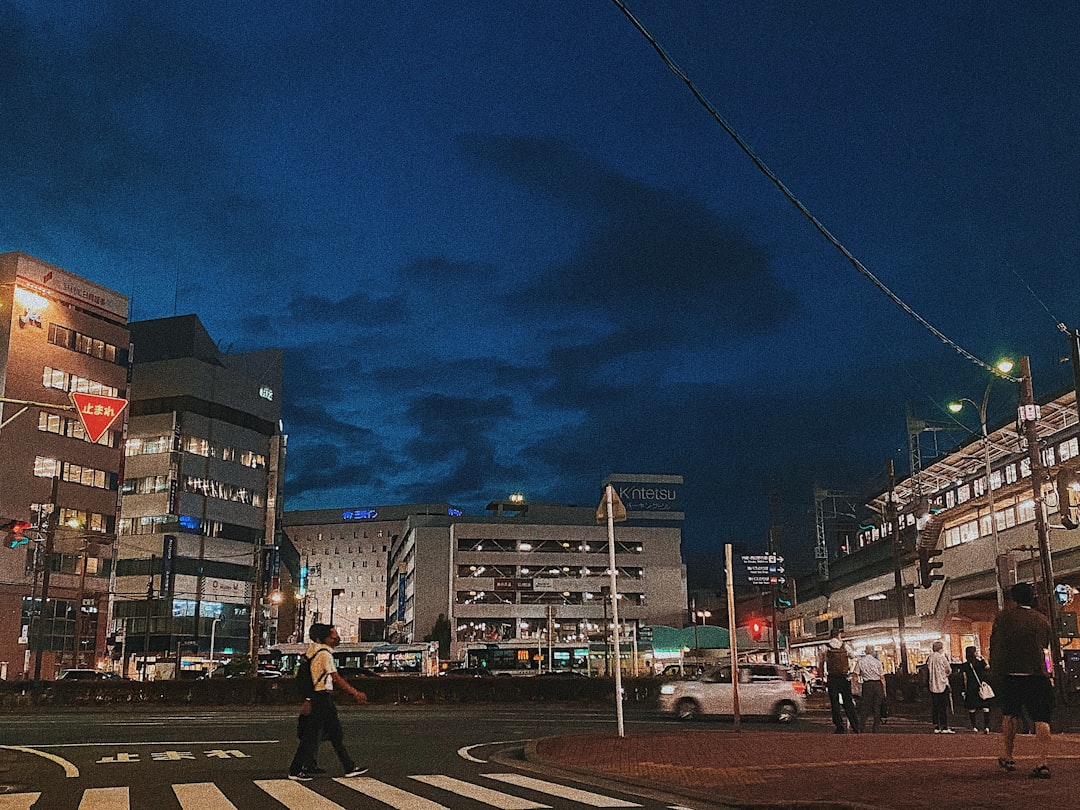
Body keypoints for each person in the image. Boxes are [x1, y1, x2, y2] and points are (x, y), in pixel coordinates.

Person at [288, 623, 369, 781]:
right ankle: (295, 770)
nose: (336, 637)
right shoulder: (324, 654)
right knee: (312, 736)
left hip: (321, 697)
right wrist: (355, 693)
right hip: (320, 698)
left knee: (334, 733)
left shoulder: (313, 650)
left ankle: (349, 767)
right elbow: (336, 677)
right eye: (332, 635)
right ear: (322, 638)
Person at [990, 582, 1054, 778]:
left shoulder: (1003, 618)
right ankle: (1043, 761)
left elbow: (996, 648)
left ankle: (1009, 756)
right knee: (1041, 719)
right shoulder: (1042, 620)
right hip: (1037, 674)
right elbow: (1045, 646)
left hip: (1011, 674)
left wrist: (995, 673)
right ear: (1031, 596)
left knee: (1010, 715)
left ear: (1013, 597)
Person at [820, 629, 860, 733]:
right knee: (848, 702)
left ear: (830, 635)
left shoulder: (825, 647)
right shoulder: (845, 646)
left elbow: (821, 662)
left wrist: (823, 679)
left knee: (835, 703)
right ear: (839, 635)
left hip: (832, 678)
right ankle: (856, 726)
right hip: (844, 677)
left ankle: (839, 726)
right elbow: (852, 655)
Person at [854, 645, 887, 733]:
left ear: (865, 651)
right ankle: (876, 728)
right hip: (877, 684)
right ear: (873, 652)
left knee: (865, 707)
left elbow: (855, 675)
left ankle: (862, 727)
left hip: (867, 685)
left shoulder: (860, 661)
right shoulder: (877, 662)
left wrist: (855, 686)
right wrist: (884, 690)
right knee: (877, 706)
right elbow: (882, 677)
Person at [961, 645, 991, 733]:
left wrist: (963, 689)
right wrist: (982, 659)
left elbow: (964, 678)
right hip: (980, 686)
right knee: (985, 707)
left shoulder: (965, 665)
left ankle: (974, 726)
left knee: (972, 708)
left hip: (971, 688)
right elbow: (987, 668)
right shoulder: (980, 663)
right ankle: (986, 727)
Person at [927, 641, 954, 733]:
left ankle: (936, 726)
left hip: (932, 685)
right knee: (943, 706)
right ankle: (945, 726)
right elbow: (948, 670)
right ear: (940, 648)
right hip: (942, 684)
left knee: (935, 706)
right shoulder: (942, 657)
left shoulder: (930, 658)